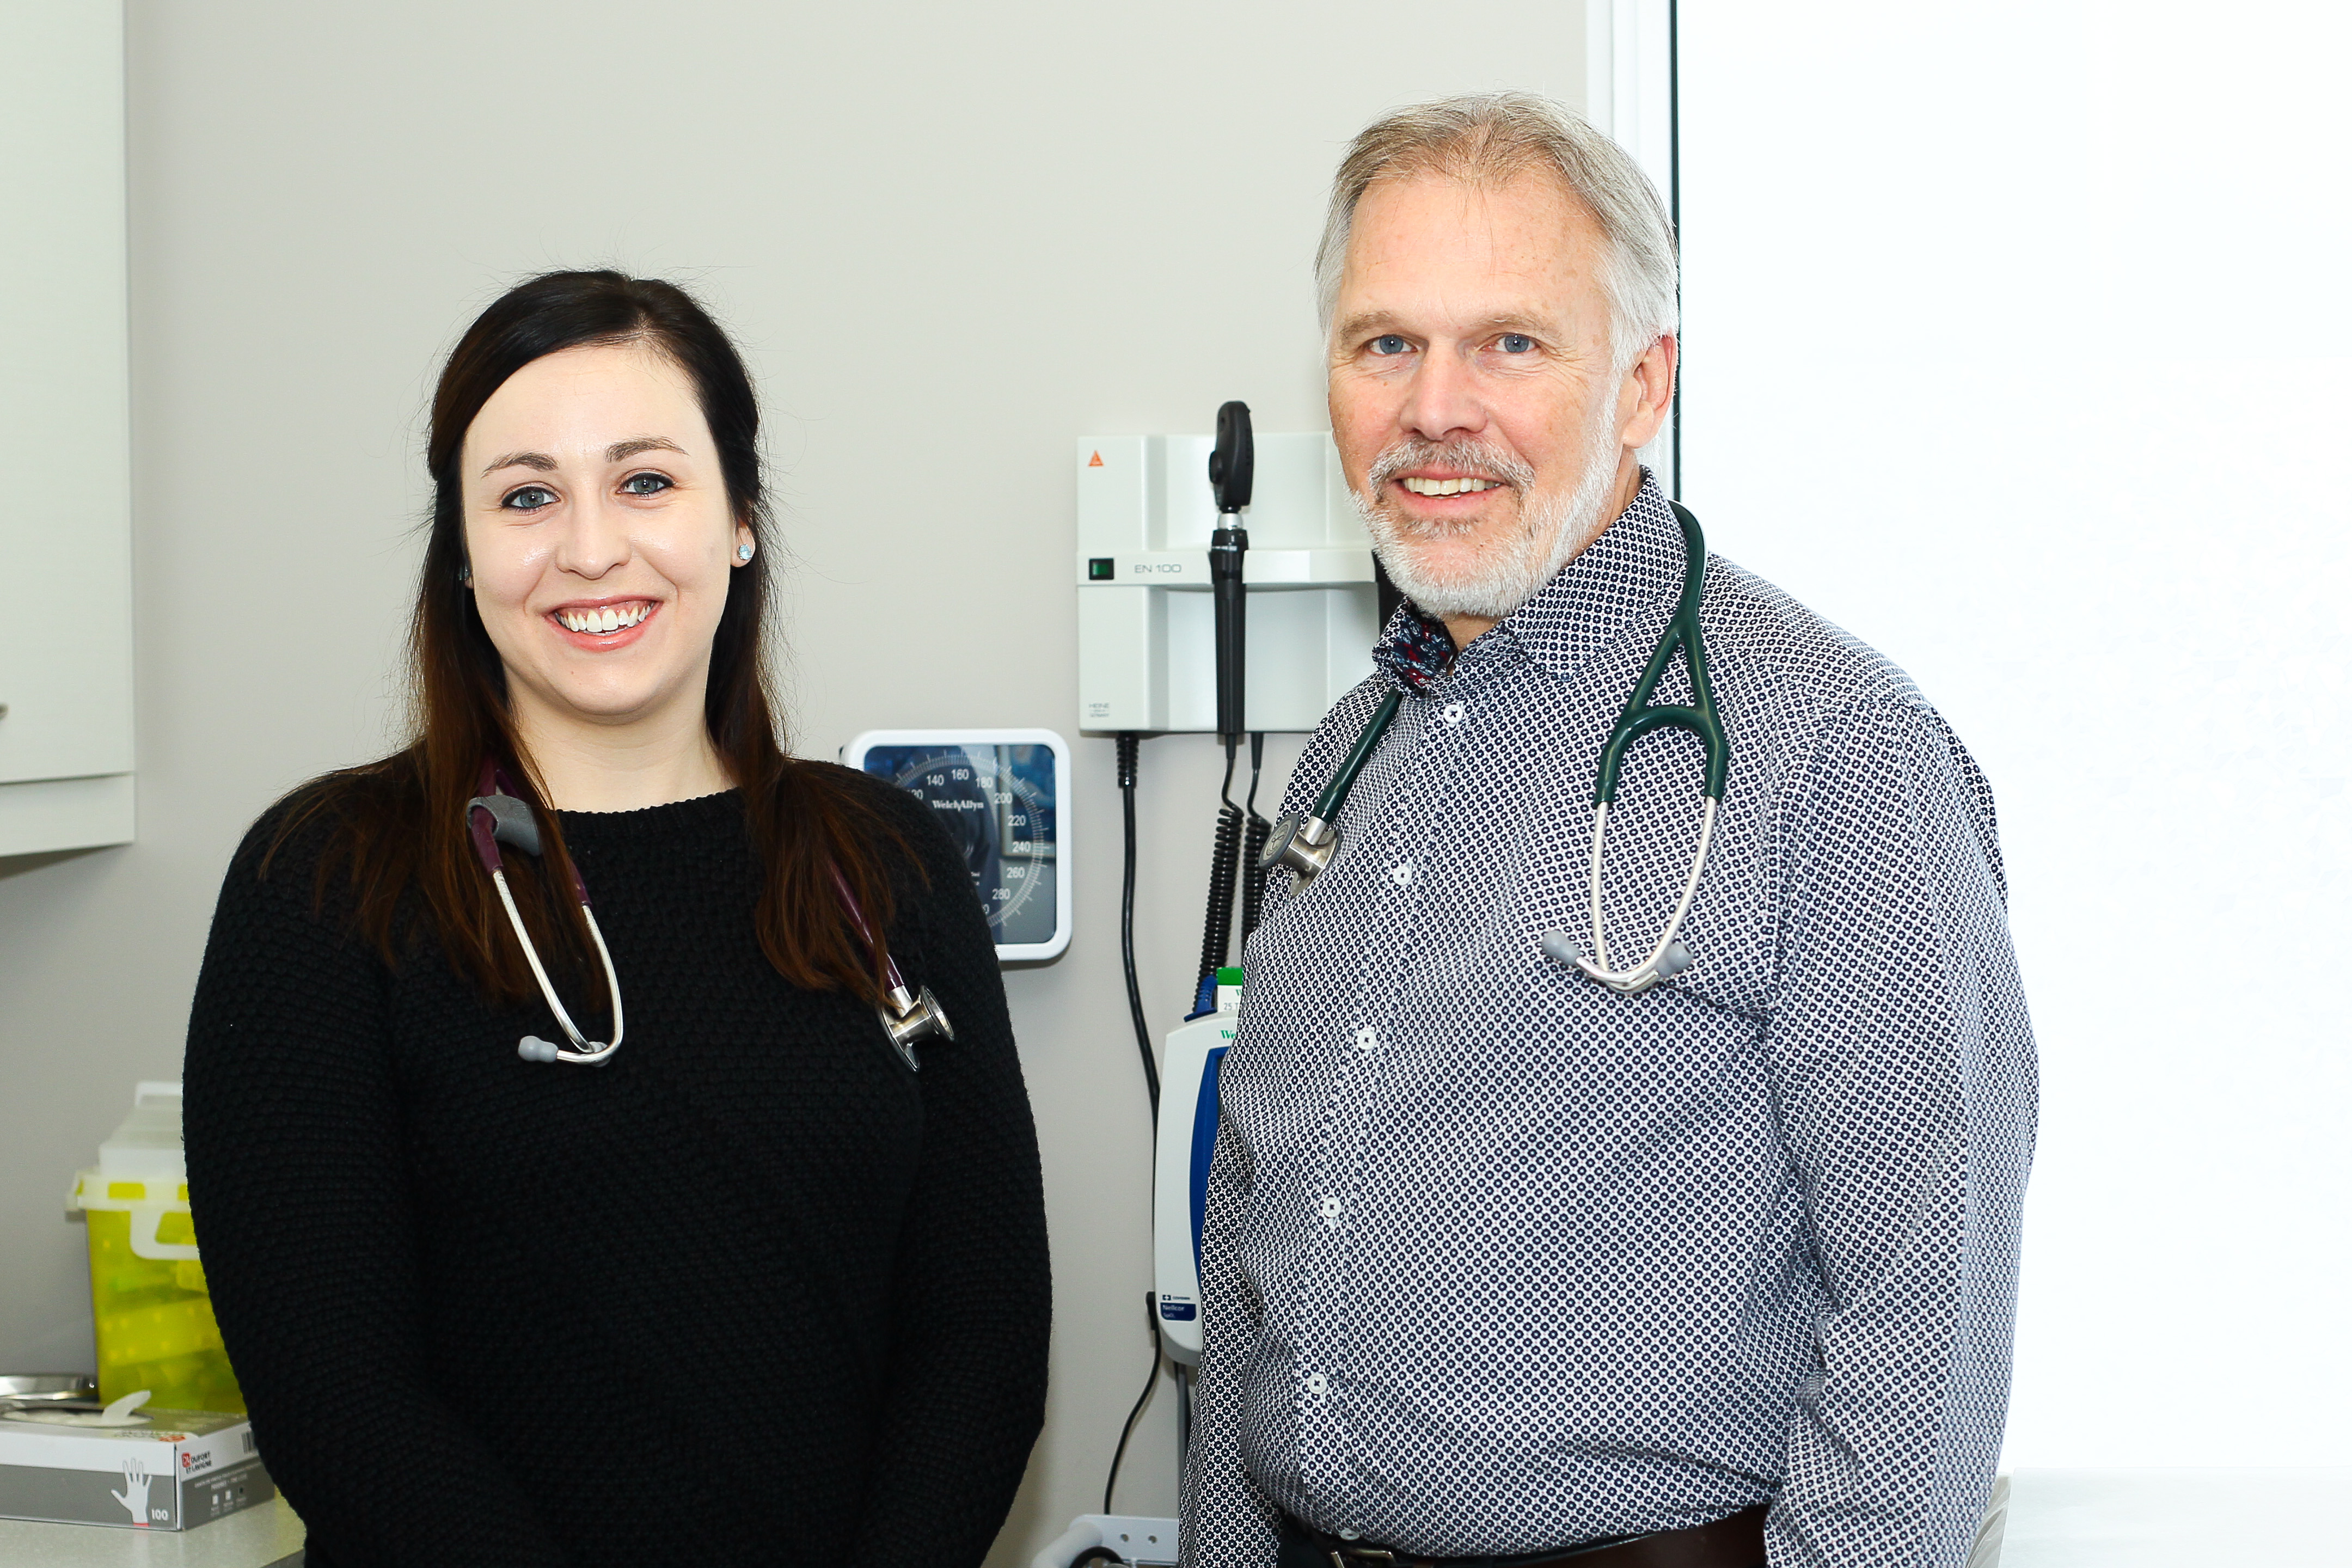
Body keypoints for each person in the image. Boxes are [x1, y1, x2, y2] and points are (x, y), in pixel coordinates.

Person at [1184, 95, 2036, 1568]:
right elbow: (1254, 1242)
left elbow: (1926, 1303)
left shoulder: (1827, 747)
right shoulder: (1348, 756)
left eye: (1511, 342)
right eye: (1385, 342)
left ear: (1644, 384)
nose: (1434, 408)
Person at [182, 271, 1050, 1568]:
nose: (592, 547)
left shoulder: (886, 865)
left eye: (646, 481)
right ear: (463, 552)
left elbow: (981, 1342)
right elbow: (337, 1400)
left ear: (741, 519)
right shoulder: (326, 882)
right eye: (527, 496)